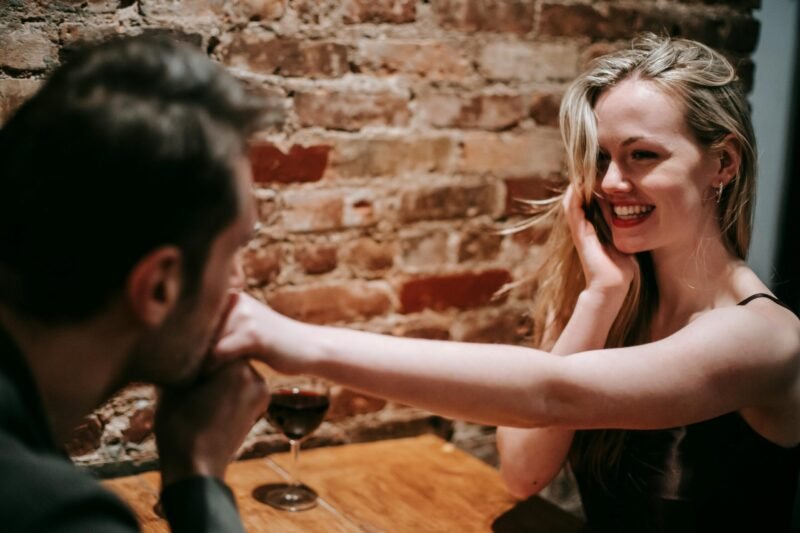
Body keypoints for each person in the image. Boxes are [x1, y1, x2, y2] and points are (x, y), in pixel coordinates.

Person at [214, 34, 800, 532]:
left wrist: (297, 342)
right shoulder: (614, 296)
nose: (610, 182)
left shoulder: (764, 338)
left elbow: (549, 393)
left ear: (723, 163)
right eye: (599, 158)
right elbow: (524, 471)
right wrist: (599, 299)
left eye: (642, 155)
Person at [0, 36, 270, 532]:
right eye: (232, 253)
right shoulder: (59, 518)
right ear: (159, 287)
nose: (239, 282)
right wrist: (199, 478)